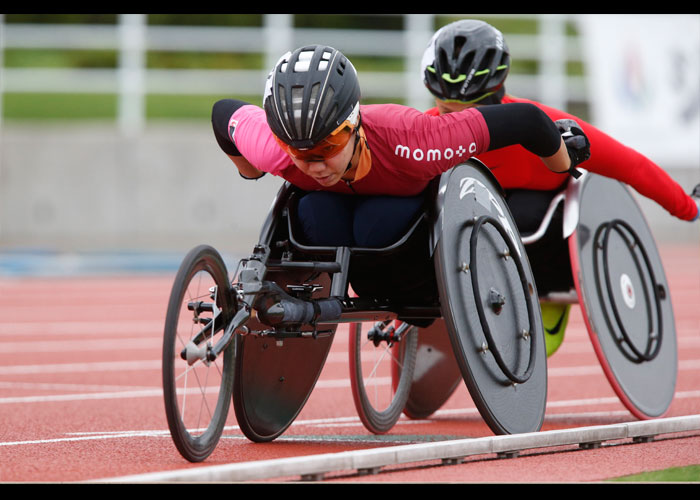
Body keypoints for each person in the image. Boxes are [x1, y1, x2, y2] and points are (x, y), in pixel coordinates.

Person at [211, 43, 591, 311]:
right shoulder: (272, 147)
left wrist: (561, 162)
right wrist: (251, 169)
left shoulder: (416, 140)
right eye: (301, 154)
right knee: (314, 213)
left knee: (377, 222)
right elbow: (222, 113)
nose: (315, 164)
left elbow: (525, 120)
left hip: (404, 230)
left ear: (353, 125)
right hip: (334, 225)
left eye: (328, 147)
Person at [420, 19, 700, 355]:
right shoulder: (425, 133)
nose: (457, 123)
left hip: (544, 235)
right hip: (471, 231)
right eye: (445, 110)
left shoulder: (542, 123)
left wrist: (688, 207)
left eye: (469, 111)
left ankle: (547, 296)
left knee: (525, 209)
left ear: (496, 93)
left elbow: (632, 166)